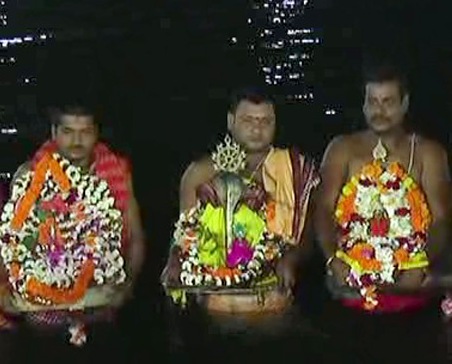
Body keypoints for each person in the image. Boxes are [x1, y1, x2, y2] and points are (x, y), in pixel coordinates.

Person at [161, 87, 321, 360]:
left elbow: (308, 235)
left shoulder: (294, 169)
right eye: (248, 120)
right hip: (214, 308)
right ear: (230, 121)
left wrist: (290, 260)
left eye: (265, 121)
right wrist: (174, 262)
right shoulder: (200, 172)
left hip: (273, 306)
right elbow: (184, 235)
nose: (257, 130)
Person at [315, 59, 450, 362]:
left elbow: (441, 219)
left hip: (409, 289)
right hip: (353, 286)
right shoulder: (342, 149)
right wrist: (331, 258)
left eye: (388, 102)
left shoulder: (428, 153)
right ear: (363, 105)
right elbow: (323, 209)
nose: (379, 110)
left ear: (405, 104)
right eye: (372, 101)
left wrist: (421, 263)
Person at [2, 100, 146, 363]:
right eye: (68, 132)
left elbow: (134, 238)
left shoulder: (115, 172)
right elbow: (10, 242)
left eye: (85, 132)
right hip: (44, 308)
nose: (76, 141)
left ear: (97, 133)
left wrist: (128, 285)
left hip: (99, 302)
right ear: (54, 133)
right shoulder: (30, 175)